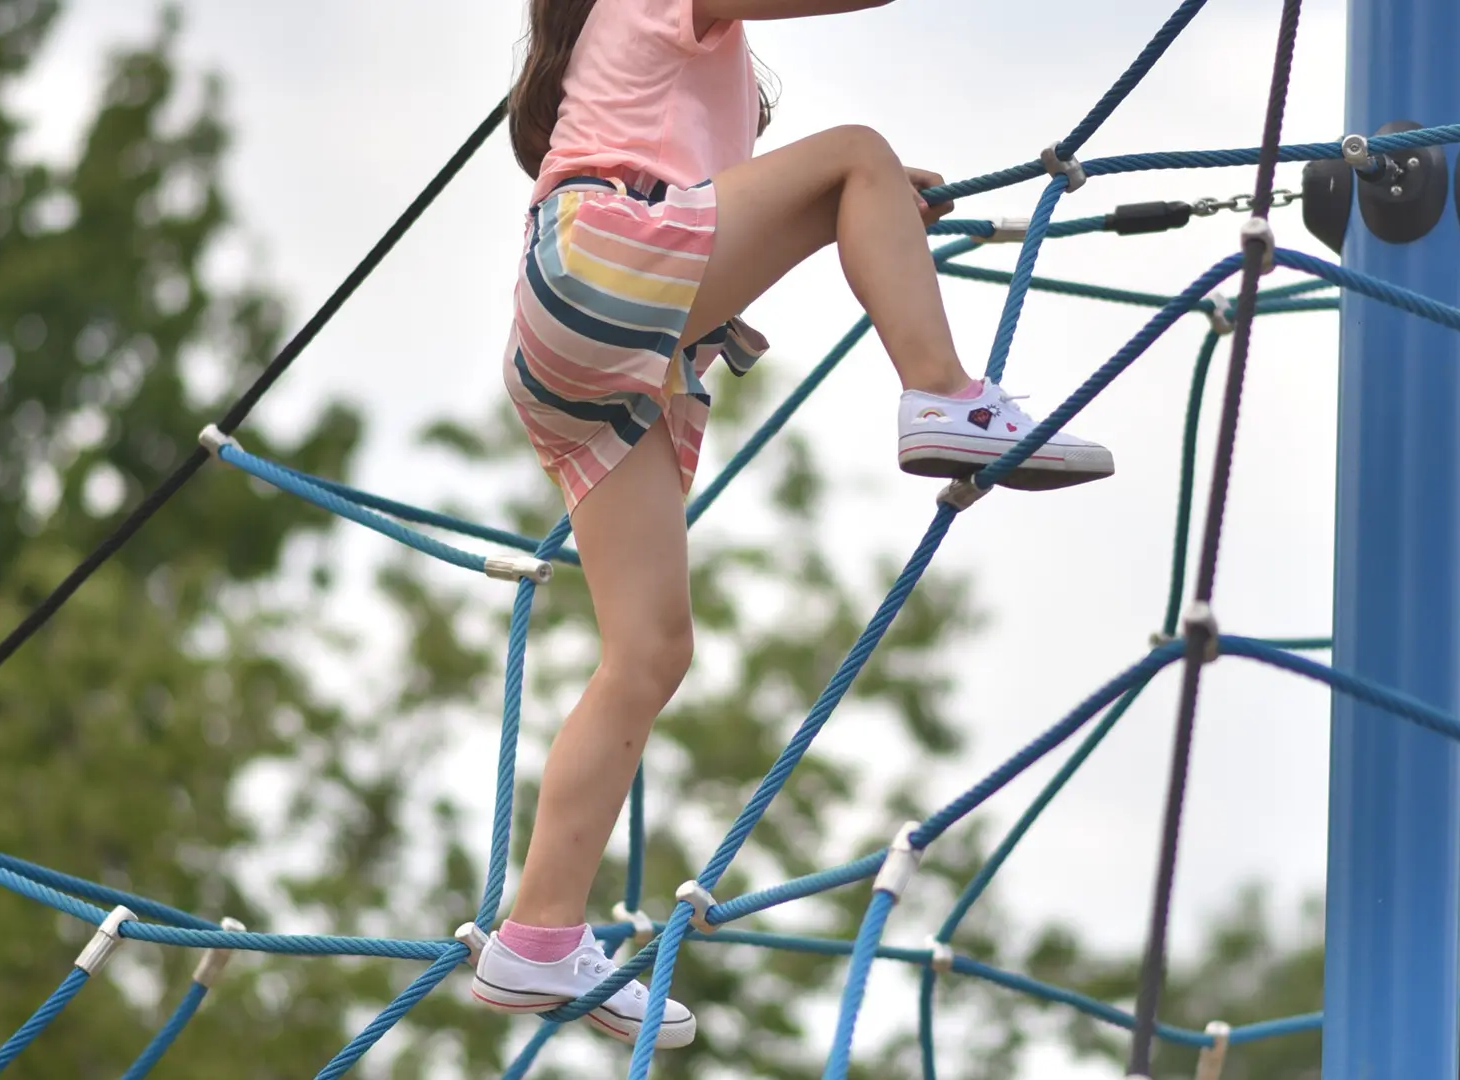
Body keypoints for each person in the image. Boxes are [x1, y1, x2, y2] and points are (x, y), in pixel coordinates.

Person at [470, 0, 1115, 1049]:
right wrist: (855, 185)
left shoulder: (639, 53)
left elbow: (741, 203)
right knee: (857, 150)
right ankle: (945, 394)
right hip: (606, 263)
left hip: (571, 322)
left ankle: (536, 937)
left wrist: (868, 211)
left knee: (649, 651)